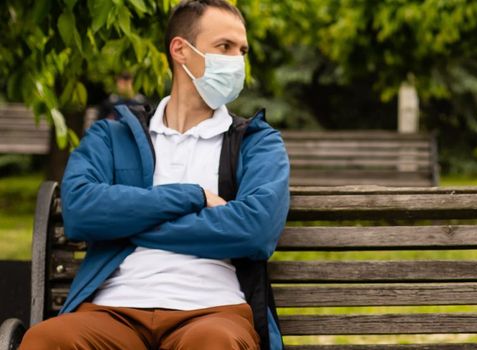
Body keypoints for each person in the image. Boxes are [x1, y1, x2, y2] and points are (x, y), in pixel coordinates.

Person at [19, 0, 289, 349]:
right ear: (181, 50)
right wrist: (191, 195)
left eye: (242, 51)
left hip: (211, 312)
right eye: (224, 47)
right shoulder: (111, 135)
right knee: (46, 339)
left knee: (214, 342)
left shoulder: (257, 142)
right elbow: (82, 210)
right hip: (112, 312)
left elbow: (256, 231)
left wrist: (129, 224)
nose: (237, 60)